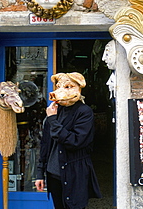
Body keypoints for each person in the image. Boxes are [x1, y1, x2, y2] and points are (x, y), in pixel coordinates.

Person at [35, 72, 101, 209]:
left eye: (68, 87)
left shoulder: (84, 112)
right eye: (59, 87)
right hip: (54, 175)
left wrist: (53, 120)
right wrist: (40, 173)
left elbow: (75, 141)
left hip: (74, 174)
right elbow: (46, 144)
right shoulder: (54, 111)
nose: (61, 91)